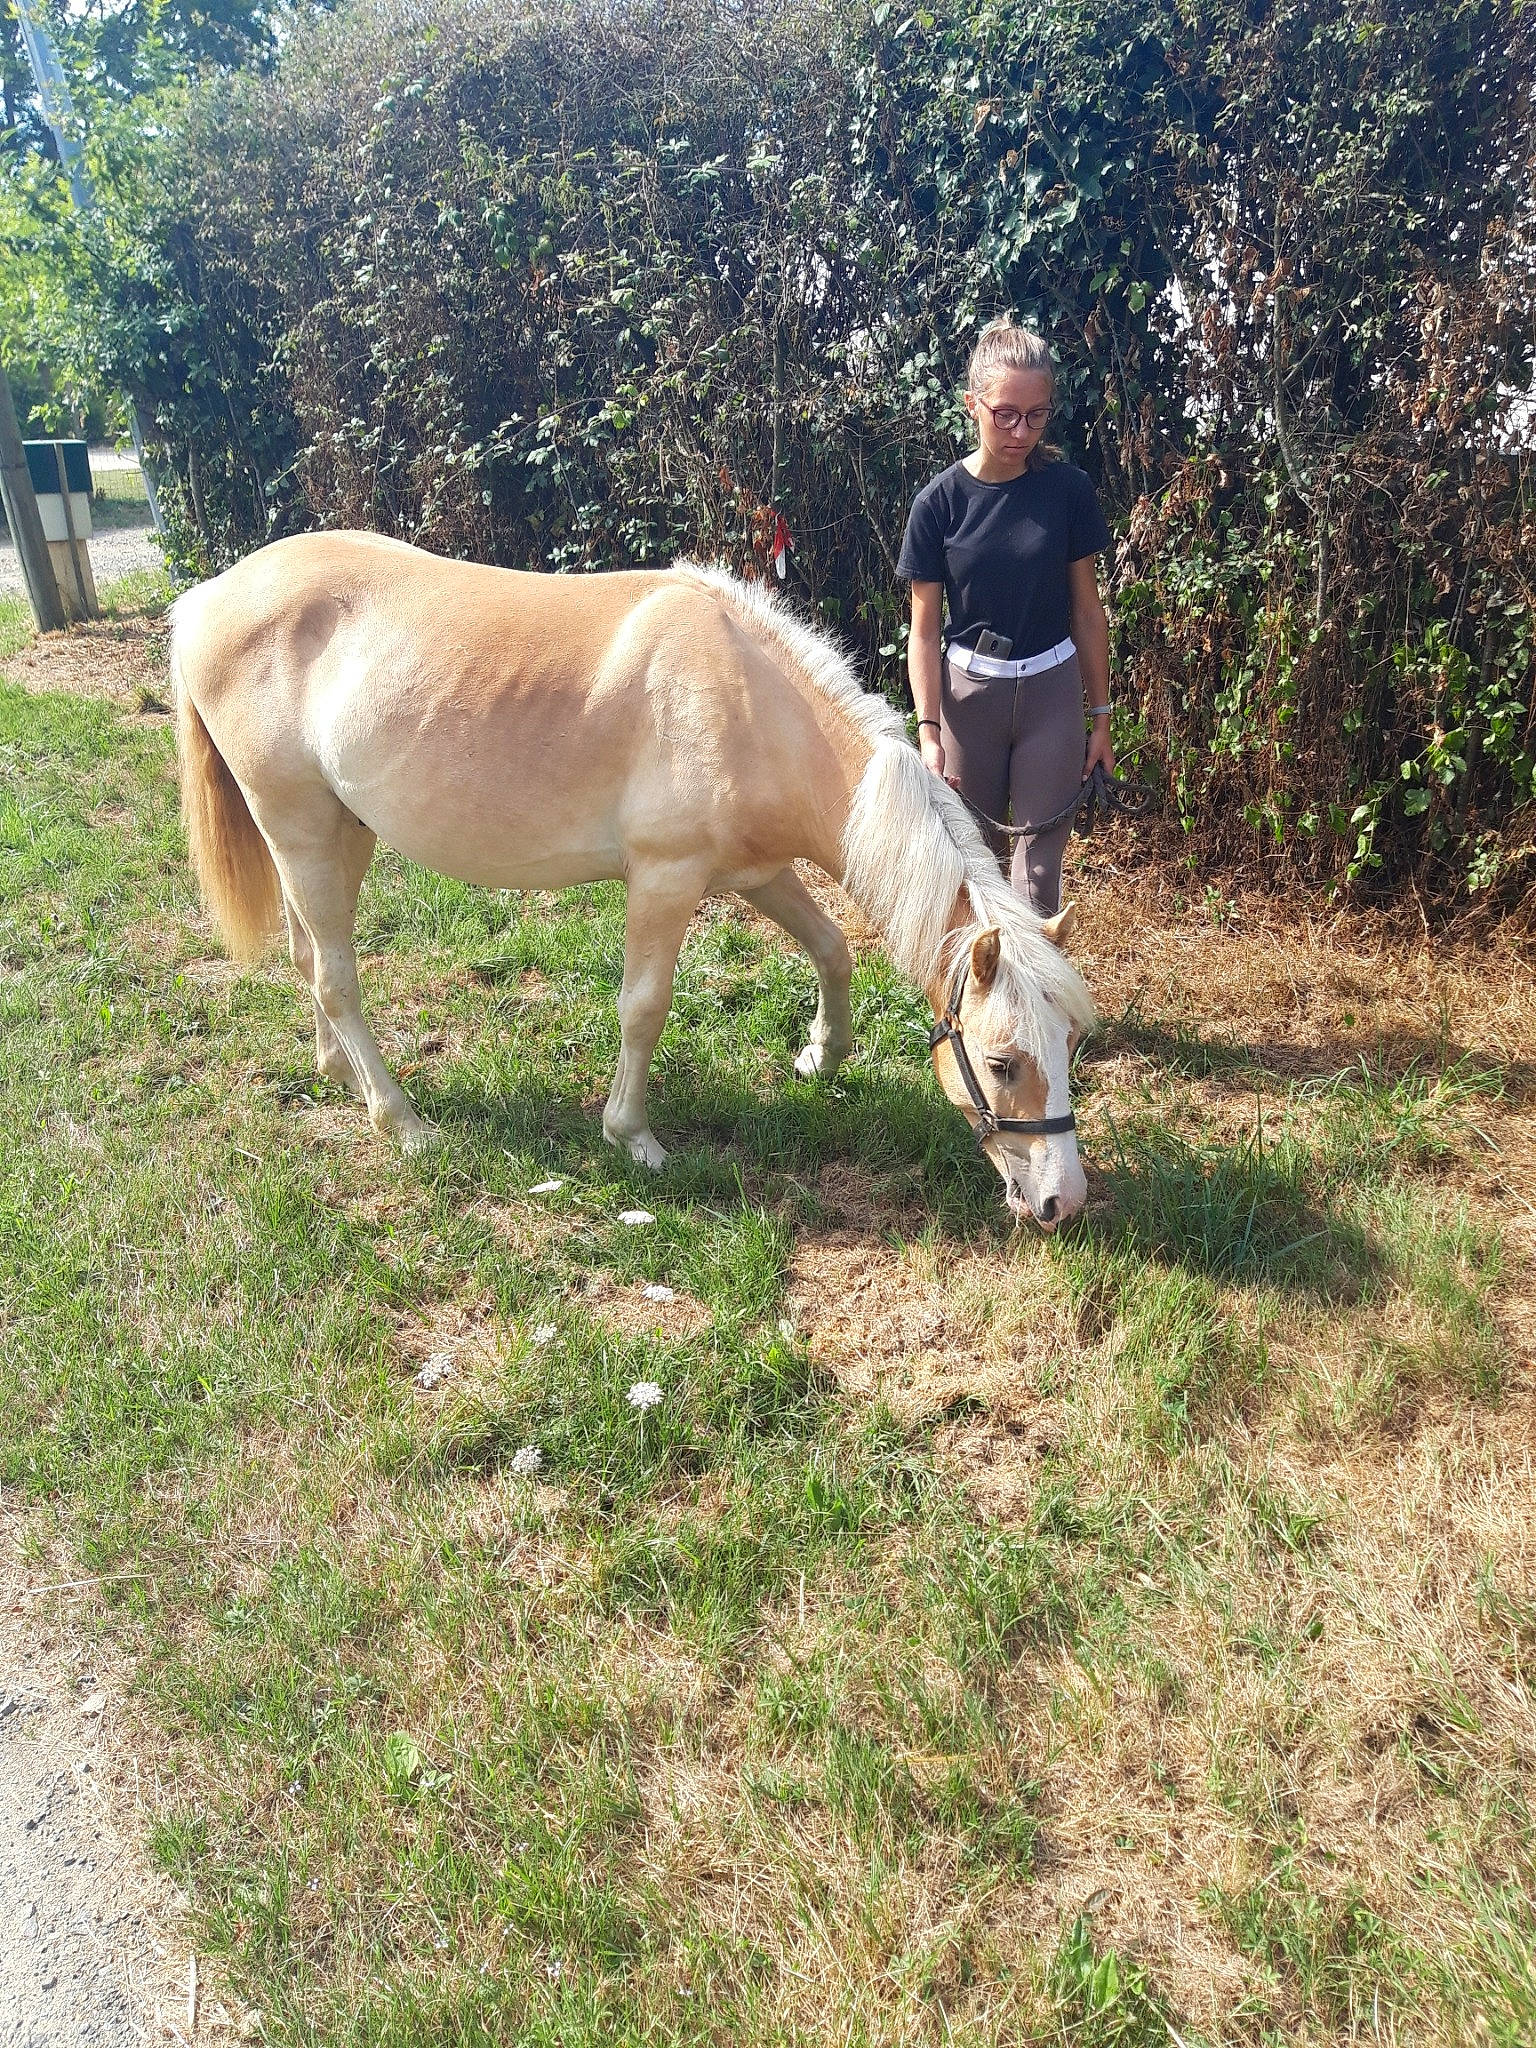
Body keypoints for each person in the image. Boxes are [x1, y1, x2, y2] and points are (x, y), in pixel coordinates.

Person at [896, 316, 1114, 916]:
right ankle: (967, 1008)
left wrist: (1100, 717)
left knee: (1039, 879)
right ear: (972, 404)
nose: (1022, 430)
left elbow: (1087, 611)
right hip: (969, 704)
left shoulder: (1067, 490)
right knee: (974, 871)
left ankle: (1034, 1009)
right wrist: (930, 733)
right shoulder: (937, 504)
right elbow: (924, 630)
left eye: (1038, 414)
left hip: (1052, 695)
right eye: (1006, 414)